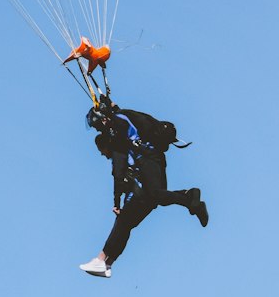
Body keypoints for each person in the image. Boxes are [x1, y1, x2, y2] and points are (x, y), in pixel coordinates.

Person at [79, 98, 208, 278]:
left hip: (147, 162)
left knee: (127, 219)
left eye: (97, 126)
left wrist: (116, 201)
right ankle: (106, 263)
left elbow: (118, 169)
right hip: (155, 160)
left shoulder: (117, 131)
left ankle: (102, 260)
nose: (98, 129)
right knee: (146, 207)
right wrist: (111, 107)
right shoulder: (122, 118)